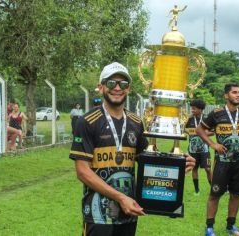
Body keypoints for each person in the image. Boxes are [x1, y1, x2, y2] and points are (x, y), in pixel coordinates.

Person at [69, 62, 195, 236]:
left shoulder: (136, 122)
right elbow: (82, 172)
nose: (117, 88)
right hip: (98, 215)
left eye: (123, 84)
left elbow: (147, 161)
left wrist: (178, 163)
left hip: (128, 213)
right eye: (111, 83)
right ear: (101, 87)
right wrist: (121, 198)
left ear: (129, 88)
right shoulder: (87, 121)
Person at [196, 83, 239, 236]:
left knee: (236, 194)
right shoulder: (216, 113)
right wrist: (212, 144)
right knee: (215, 194)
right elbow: (199, 129)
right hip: (222, 162)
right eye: (234, 92)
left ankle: (231, 226)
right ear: (226, 96)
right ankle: (209, 228)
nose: (238, 95)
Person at [185, 99, 212, 195]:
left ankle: (213, 189)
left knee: (208, 169)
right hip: (193, 149)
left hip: (204, 149)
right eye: (192, 108)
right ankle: (197, 190)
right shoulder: (189, 119)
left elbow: (213, 131)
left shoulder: (207, 118)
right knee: (194, 168)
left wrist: (204, 133)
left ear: (200, 109)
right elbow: (184, 129)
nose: (192, 110)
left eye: (194, 109)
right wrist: (189, 131)